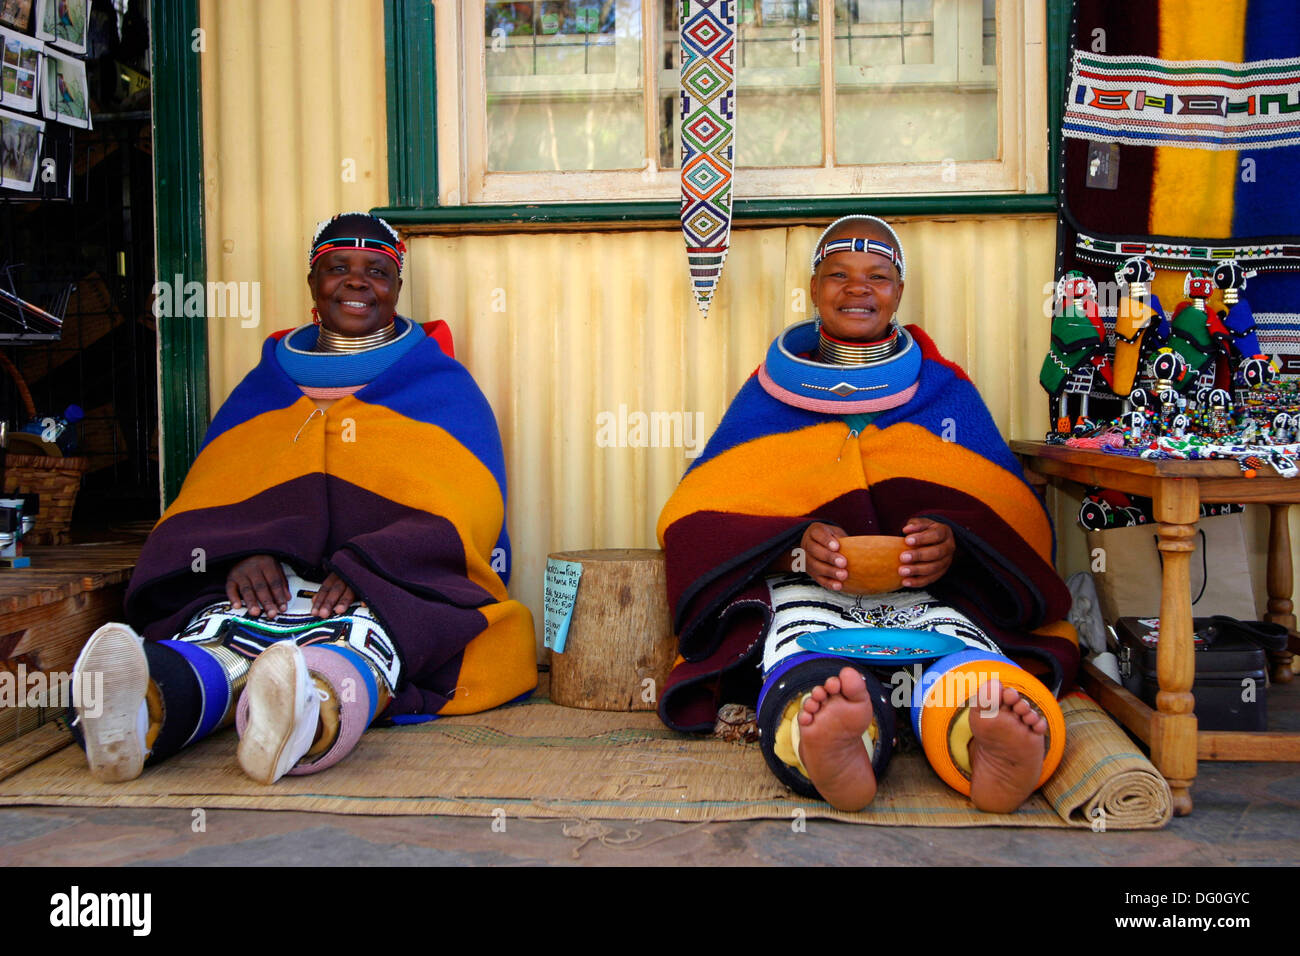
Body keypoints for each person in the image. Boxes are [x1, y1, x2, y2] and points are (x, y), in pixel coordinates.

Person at [72, 212, 537, 784]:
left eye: (377, 271)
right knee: (217, 632)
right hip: (263, 590)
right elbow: (212, 494)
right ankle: (142, 712)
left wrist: (374, 567)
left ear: (396, 288)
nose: (357, 281)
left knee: (366, 646)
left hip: (380, 593)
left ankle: (305, 717)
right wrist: (239, 551)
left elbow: (468, 509)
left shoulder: (442, 388)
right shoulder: (265, 386)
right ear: (313, 283)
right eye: (337, 267)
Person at [656, 215, 1079, 812]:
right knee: (805, 670)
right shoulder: (765, 395)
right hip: (808, 596)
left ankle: (985, 744)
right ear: (813, 289)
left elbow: (1007, 509)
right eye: (839, 275)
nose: (858, 289)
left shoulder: (945, 391)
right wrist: (791, 546)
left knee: (968, 660)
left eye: (877, 276)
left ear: (899, 292)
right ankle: (832, 747)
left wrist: (957, 541)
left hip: (932, 601)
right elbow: (702, 515)